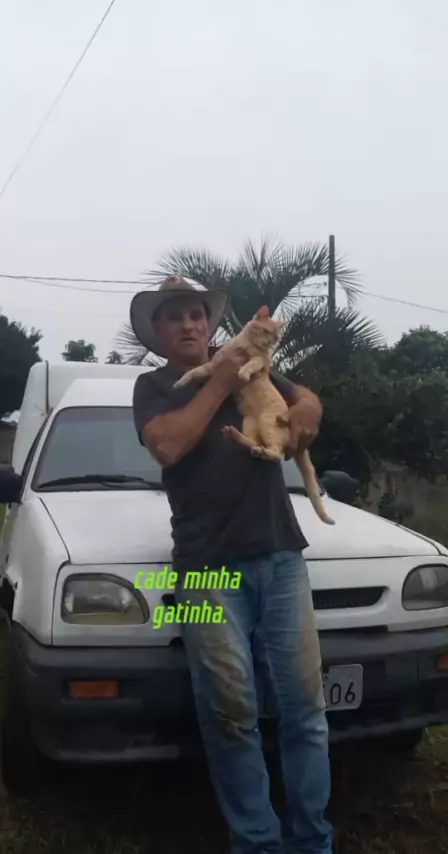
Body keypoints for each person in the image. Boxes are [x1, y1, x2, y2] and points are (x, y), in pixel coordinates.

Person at [131, 275, 332, 854]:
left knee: (306, 711)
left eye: (197, 313)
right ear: (158, 332)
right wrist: (220, 378)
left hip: (281, 555)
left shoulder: (250, 361)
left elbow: (304, 396)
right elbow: (168, 445)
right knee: (230, 714)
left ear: (209, 322)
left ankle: (313, 842)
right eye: (175, 316)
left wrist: (307, 410)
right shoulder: (153, 387)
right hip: (206, 569)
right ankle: (259, 843)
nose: (189, 324)